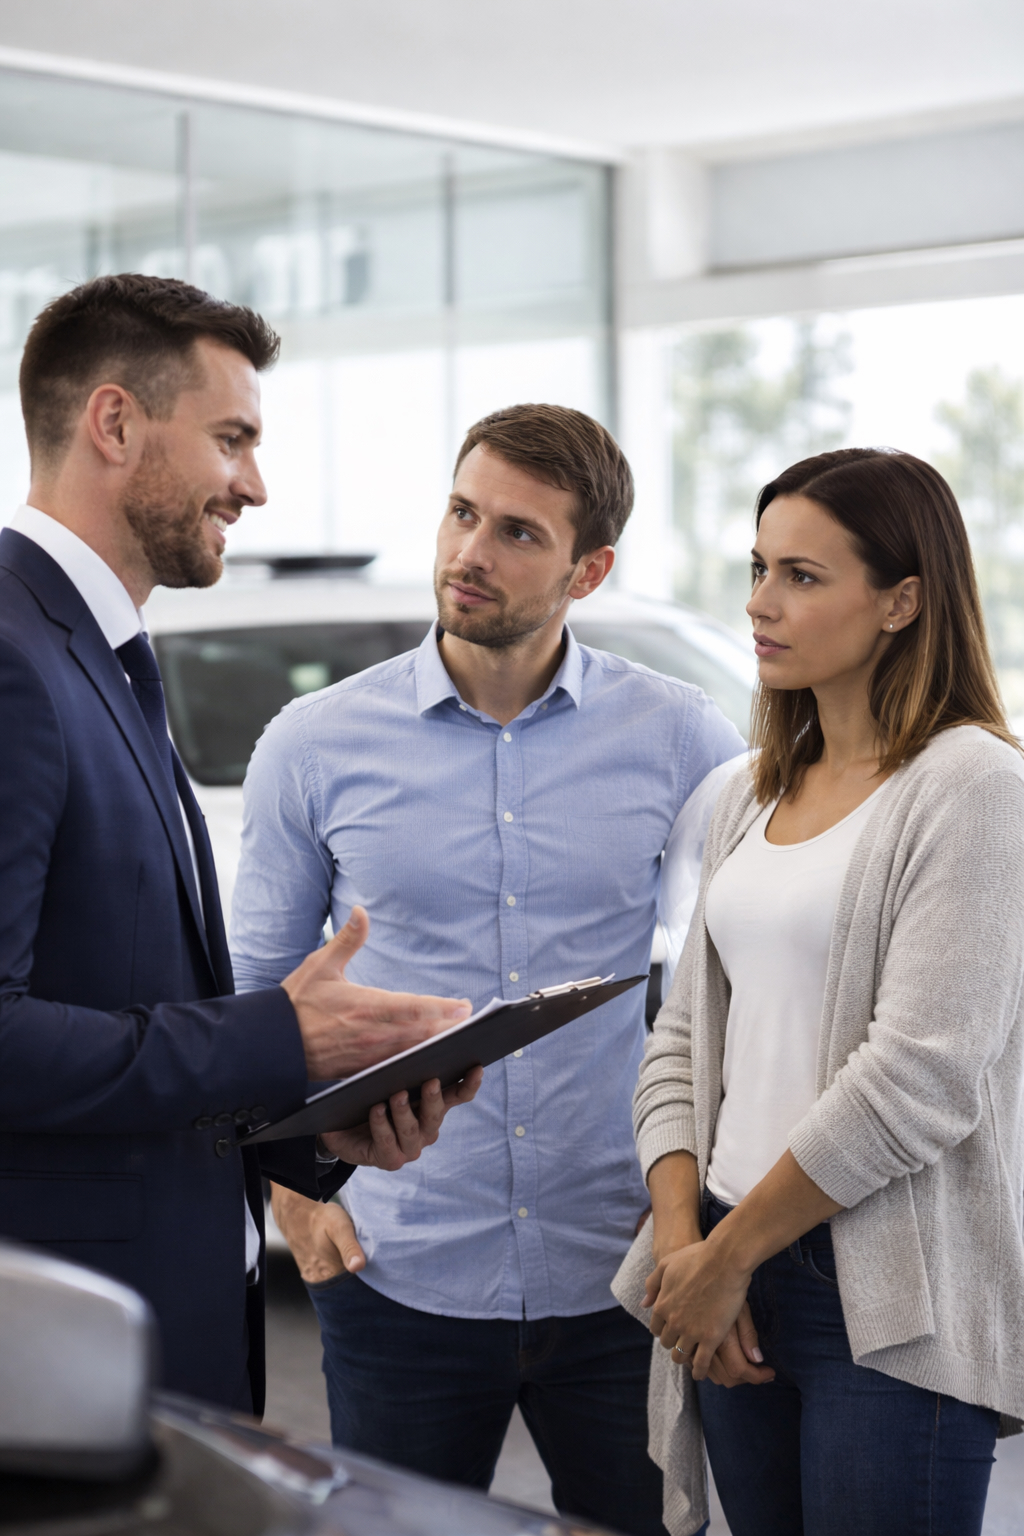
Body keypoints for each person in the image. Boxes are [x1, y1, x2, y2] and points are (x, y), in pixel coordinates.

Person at [230, 403, 744, 1534]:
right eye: (463, 512)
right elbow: (251, 1000)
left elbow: (738, 982)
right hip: (397, 1258)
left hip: (619, 1266)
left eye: (517, 532)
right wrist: (285, 1199)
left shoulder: (682, 740)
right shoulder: (313, 746)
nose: (470, 551)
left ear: (588, 567)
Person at [0, 273, 480, 1417]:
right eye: (232, 439)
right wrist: (274, 1034)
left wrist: (311, 1119)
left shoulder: (102, 652)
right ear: (114, 423)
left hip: (151, 1323)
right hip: (63, 1346)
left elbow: (117, 1003)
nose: (254, 486)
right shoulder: (13, 657)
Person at [614, 447, 1024, 1536]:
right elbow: (682, 1034)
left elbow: (923, 1076)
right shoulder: (750, 795)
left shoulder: (972, 785)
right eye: (756, 568)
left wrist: (729, 1252)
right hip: (722, 1259)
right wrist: (681, 1247)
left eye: (801, 575)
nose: (759, 603)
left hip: (886, 1297)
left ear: (902, 601)